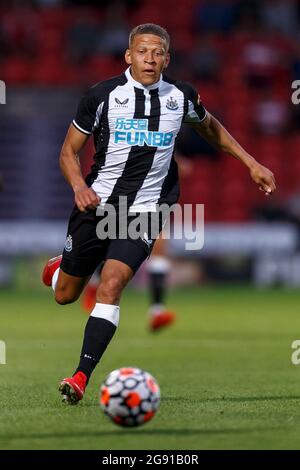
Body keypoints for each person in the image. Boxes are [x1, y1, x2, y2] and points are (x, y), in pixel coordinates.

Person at [42, 23, 276, 404]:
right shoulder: (102, 96)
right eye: (142, 51)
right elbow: (68, 152)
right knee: (66, 295)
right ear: (128, 56)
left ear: (167, 58)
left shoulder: (180, 96)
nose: (149, 59)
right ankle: (60, 267)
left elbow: (210, 127)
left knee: (113, 283)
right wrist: (78, 187)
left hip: (148, 209)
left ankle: (81, 376)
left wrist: (250, 162)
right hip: (98, 204)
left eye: (157, 53)